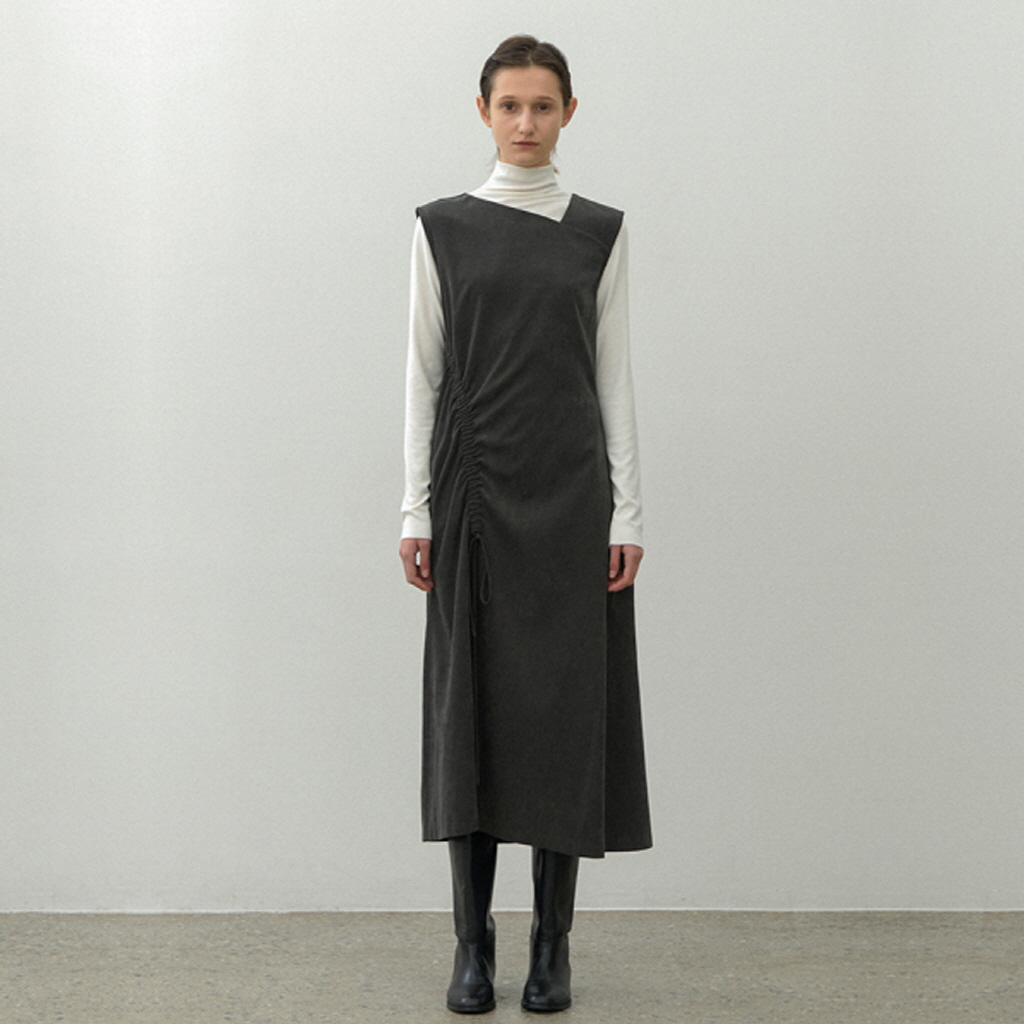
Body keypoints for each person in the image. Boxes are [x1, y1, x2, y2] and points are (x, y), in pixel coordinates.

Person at [400, 35, 652, 1014]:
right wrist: (415, 508)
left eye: (543, 105)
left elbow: (612, 375)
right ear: (483, 111)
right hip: (471, 495)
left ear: (568, 112)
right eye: (509, 104)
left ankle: (553, 946)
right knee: (470, 712)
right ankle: (473, 945)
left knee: (560, 715)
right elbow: (422, 374)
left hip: (569, 499)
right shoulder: (441, 228)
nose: (526, 122)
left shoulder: (598, 232)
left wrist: (627, 510)